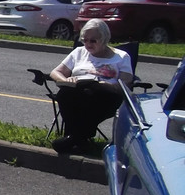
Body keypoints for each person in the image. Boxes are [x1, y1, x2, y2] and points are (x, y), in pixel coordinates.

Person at [49, 18, 132, 154]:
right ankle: (80, 140)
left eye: (93, 41)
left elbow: (126, 82)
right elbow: (55, 72)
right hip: (78, 92)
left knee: (93, 91)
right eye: (84, 40)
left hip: (106, 95)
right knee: (65, 93)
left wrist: (108, 85)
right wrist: (66, 80)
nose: (88, 44)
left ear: (104, 39)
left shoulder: (121, 57)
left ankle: (73, 138)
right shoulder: (79, 52)